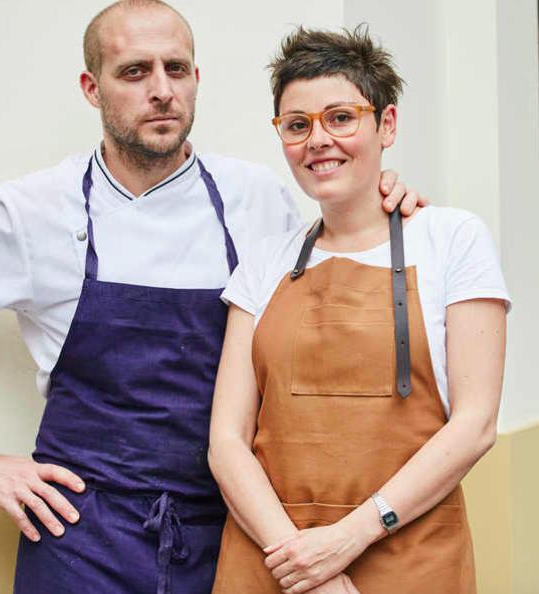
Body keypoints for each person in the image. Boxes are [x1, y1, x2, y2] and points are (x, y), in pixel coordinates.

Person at [0, 3, 423, 593]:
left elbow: (335, 276)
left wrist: (385, 198)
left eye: (176, 69)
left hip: (228, 533)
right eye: (134, 72)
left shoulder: (257, 200)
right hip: (79, 542)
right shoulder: (36, 211)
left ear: (197, 81)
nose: (161, 91)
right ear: (91, 87)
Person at [207, 26, 510, 594]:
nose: (318, 139)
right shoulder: (261, 266)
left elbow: (475, 425)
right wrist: (303, 566)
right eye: (297, 125)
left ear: (386, 125)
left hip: (410, 554)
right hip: (275, 560)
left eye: (340, 117)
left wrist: (348, 538)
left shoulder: (453, 240)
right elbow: (226, 441)